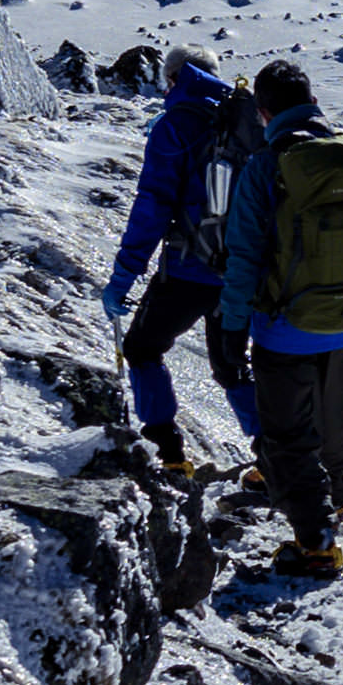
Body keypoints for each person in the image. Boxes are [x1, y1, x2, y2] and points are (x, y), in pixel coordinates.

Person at [207, 59, 343, 581]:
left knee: (286, 434)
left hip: (284, 325)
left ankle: (316, 543)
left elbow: (245, 256)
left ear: (264, 112)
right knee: (335, 410)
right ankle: (336, 501)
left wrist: (232, 327)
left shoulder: (266, 166)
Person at [97, 53, 257, 479]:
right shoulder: (244, 122)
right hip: (241, 271)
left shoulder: (175, 126)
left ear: (174, 78)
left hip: (188, 269)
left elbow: (152, 207)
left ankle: (167, 453)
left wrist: (121, 280)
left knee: (141, 349)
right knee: (232, 364)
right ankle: (276, 457)